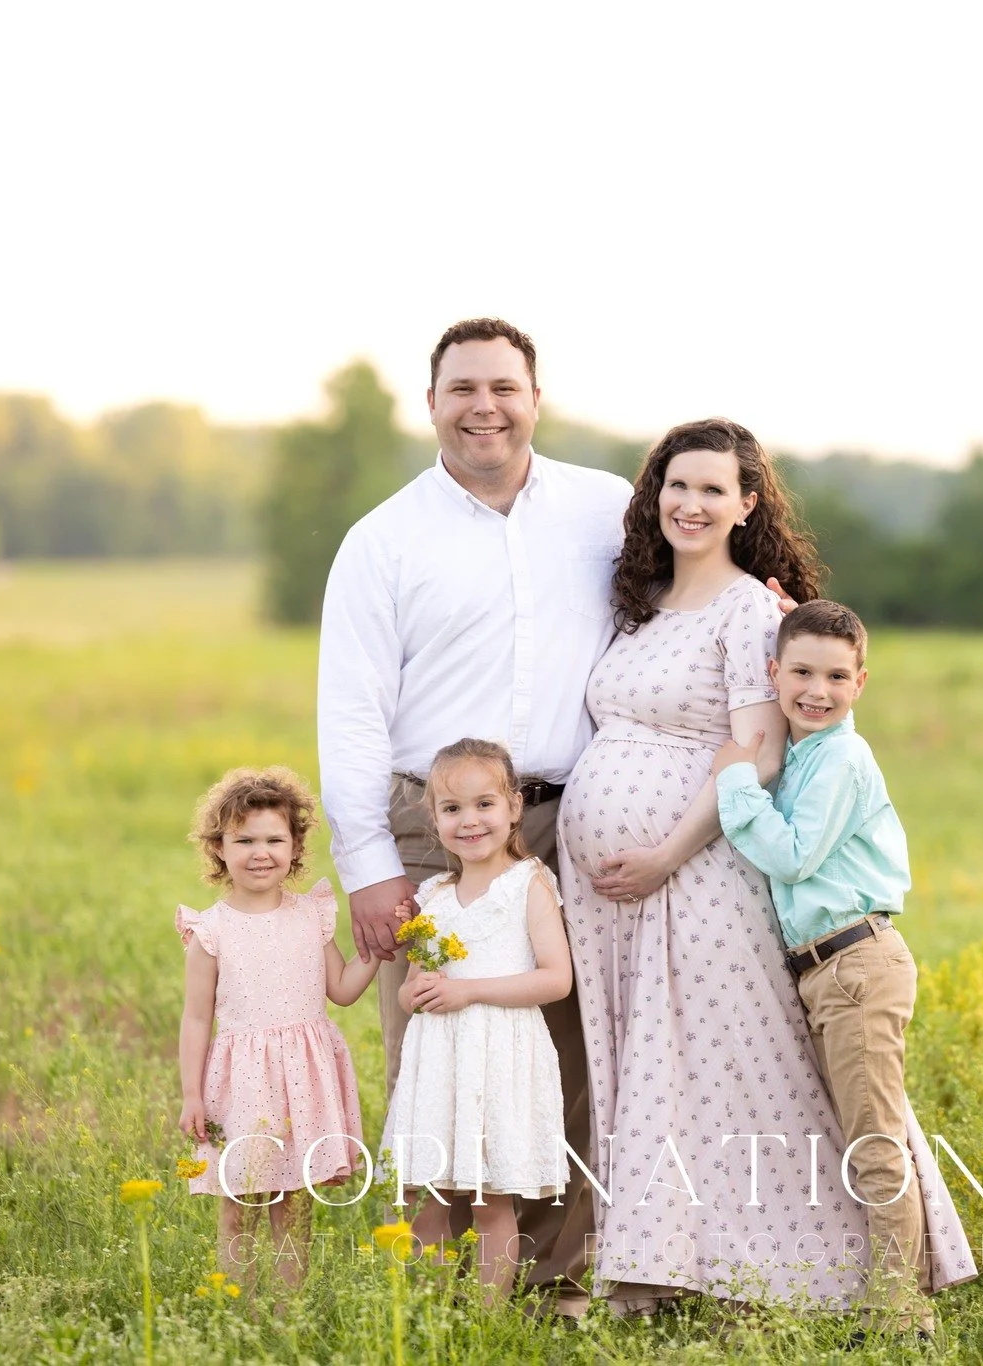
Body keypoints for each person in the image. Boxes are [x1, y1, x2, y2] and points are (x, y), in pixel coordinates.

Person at [317, 318, 630, 1304]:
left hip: (566, 815)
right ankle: (440, 1283)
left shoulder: (604, 509)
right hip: (430, 824)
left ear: (535, 397)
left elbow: (692, 590)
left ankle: (556, 1279)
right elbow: (351, 712)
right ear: (432, 403)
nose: (483, 405)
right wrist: (368, 861)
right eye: (462, 388)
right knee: (433, 1050)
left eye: (502, 385)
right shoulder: (383, 540)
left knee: (566, 1049)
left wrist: (774, 602)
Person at [711, 599, 947, 1339]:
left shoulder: (842, 756)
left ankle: (900, 1315)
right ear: (771, 672)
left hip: (857, 964)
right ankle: (883, 1296)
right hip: (823, 969)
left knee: (875, 1140)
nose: (818, 689)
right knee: (858, 1133)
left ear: (861, 682)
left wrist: (735, 781)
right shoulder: (810, 751)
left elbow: (792, 855)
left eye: (836, 676)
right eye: (802, 671)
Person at [377, 738, 573, 1304]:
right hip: (440, 1061)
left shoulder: (528, 884)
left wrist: (467, 991)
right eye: (452, 809)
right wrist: (421, 991)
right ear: (433, 817)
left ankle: (486, 1323)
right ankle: (426, 1313)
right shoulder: (433, 895)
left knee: (491, 1202)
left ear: (514, 806)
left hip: (499, 1057)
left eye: (484, 804)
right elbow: (413, 990)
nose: (470, 821)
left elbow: (555, 979)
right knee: (430, 1197)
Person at [174, 766, 378, 1293]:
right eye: (244, 840)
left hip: (303, 1077)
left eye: (273, 839)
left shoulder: (311, 915)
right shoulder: (210, 931)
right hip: (242, 1078)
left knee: (293, 1198)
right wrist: (191, 1095)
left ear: (295, 846)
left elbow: (343, 989)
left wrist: (377, 951)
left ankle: (290, 1308)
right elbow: (196, 1018)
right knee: (240, 1196)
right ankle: (237, 1301)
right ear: (219, 847)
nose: (259, 852)